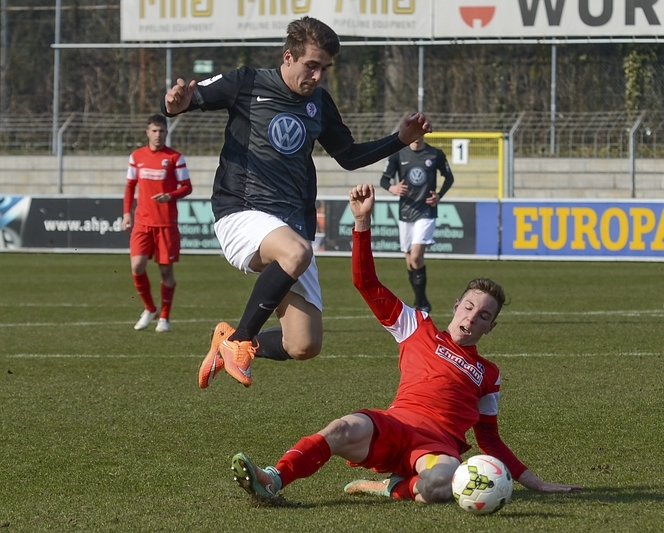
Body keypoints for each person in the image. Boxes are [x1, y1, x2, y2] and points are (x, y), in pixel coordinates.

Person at [228, 183, 581, 505]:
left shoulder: (489, 374)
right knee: (340, 429)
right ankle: (273, 479)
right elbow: (366, 283)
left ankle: (393, 487)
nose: (473, 318)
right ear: (456, 307)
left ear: (491, 327)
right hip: (393, 426)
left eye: (484, 316)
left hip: (436, 447)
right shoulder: (417, 326)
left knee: (440, 487)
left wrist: (535, 482)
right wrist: (362, 223)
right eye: (469, 307)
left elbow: (489, 441)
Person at [161, 17, 431, 388]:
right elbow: (185, 100)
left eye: (325, 69)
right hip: (241, 211)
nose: (318, 76)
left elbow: (348, 156)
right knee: (296, 252)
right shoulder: (247, 82)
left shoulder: (319, 102)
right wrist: (174, 105)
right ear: (288, 57)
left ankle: (229, 339)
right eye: (311, 65)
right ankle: (240, 341)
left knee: (304, 344)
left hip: (291, 225)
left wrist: (399, 139)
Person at [123, 113, 193, 332]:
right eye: (154, 131)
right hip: (142, 222)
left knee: (166, 273)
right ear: (147, 132)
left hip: (165, 223)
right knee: (137, 266)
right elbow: (130, 186)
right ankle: (150, 308)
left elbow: (187, 187)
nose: (158, 135)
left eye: (162, 131)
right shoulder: (137, 156)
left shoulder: (175, 158)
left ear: (166, 132)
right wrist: (126, 214)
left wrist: (170, 195)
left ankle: (164, 317)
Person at [380, 134, 454, 313]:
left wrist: (439, 195)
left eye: (419, 131)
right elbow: (384, 180)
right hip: (405, 212)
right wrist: (393, 188)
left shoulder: (435, 154)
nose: (416, 135)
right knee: (409, 260)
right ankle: (419, 301)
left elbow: (449, 177)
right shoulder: (398, 154)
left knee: (415, 257)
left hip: (426, 212)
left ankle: (422, 300)